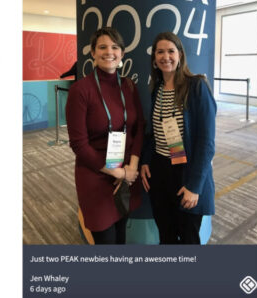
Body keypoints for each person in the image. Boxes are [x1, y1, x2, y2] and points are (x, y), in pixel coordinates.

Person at [65, 27, 143, 244]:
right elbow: (79, 144)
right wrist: (116, 172)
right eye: (102, 47)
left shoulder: (129, 86)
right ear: (92, 52)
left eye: (115, 47)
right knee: (105, 242)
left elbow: (140, 128)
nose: (109, 52)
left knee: (121, 236)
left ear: (122, 53)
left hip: (126, 174)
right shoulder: (80, 90)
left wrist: (132, 167)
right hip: (96, 175)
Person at [139, 32, 215, 244]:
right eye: (160, 52)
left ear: (180, 55)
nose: (166, 57)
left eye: (171, 51)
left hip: (187, 172)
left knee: (189, 238)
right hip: (160, 171)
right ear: (154, 59)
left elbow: (206, 143)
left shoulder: (197, 86)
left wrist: (194, 186)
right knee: (166, 235)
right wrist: (145, 160)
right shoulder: (157, 89)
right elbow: (153, 132)